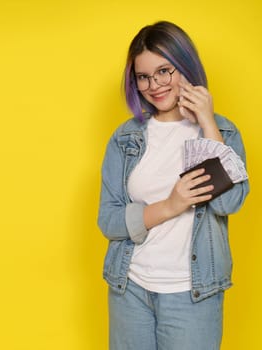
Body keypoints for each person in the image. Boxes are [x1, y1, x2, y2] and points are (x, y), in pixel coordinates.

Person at [97, 21, 249, 350]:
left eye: (164, 71)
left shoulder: (225, 132)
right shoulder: (125, 139)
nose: (155, 85)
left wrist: (207, 122)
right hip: (129, 288)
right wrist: (170, 206)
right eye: (143, 76)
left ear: (185, 66)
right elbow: (108, 221)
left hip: (193, 295)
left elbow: (230, 203)